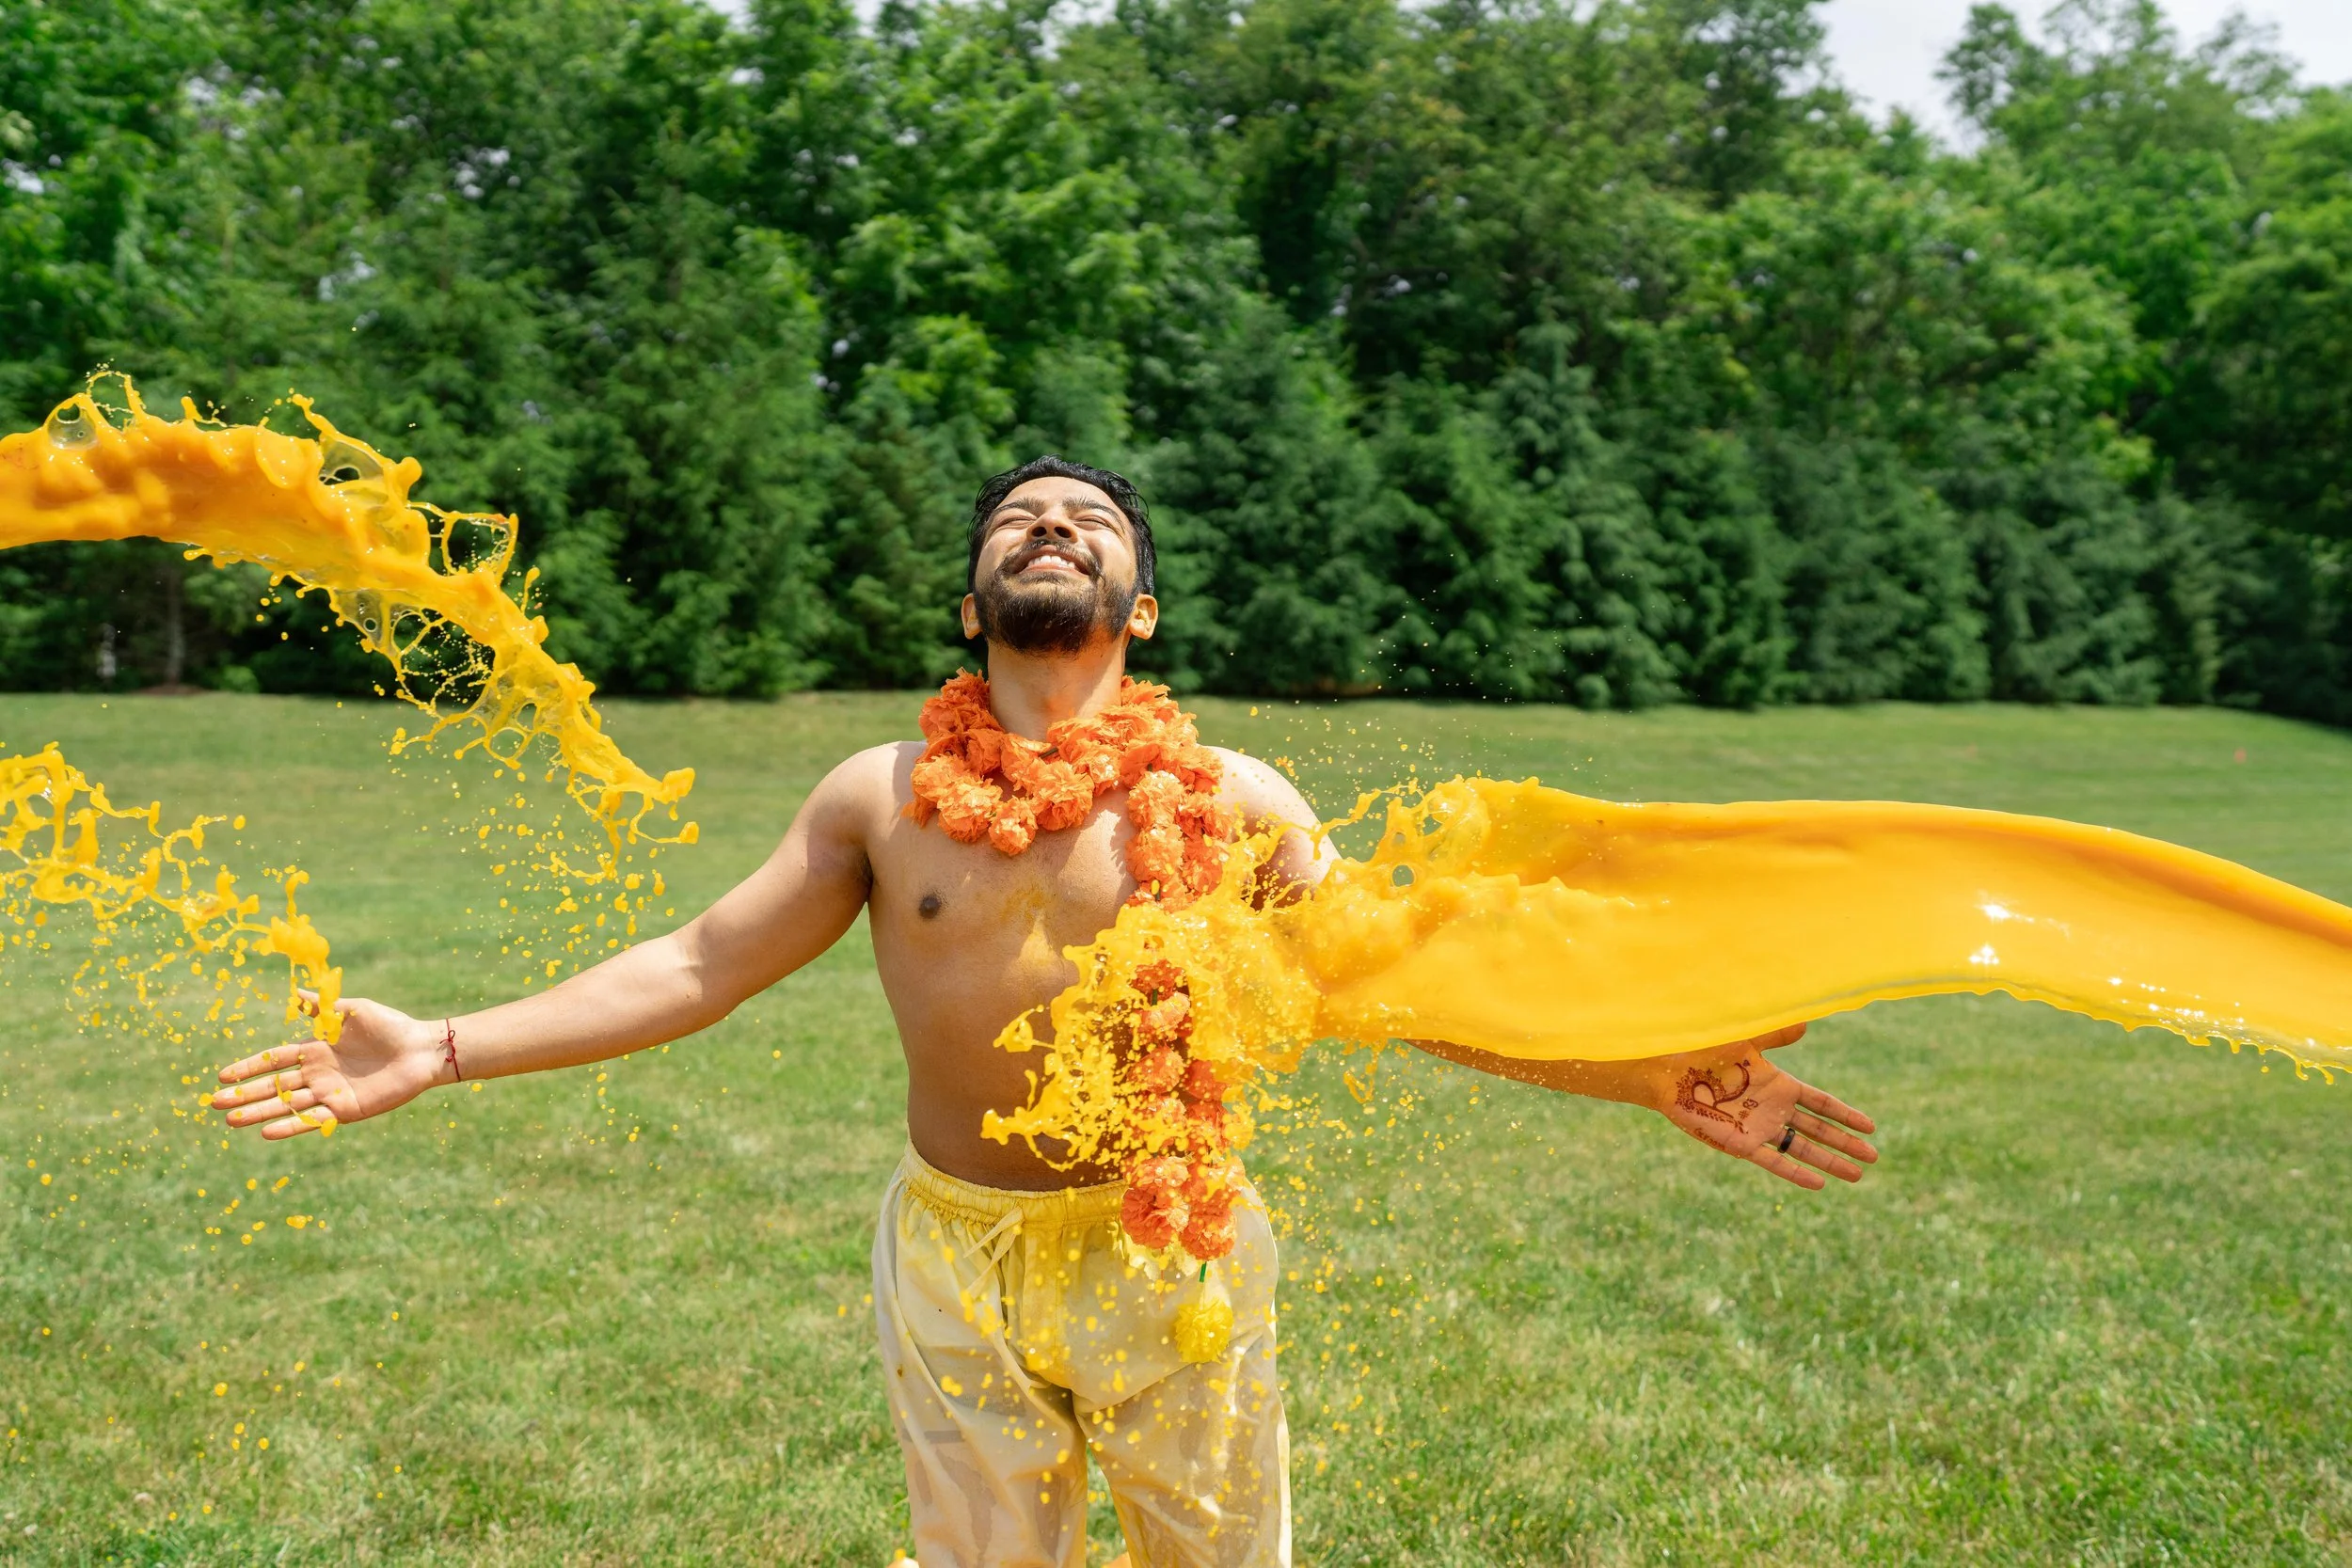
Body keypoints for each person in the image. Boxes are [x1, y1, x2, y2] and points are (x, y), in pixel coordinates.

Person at [212, 456, 1881, 1568]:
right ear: (971, 607)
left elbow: (1400, 989)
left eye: (1088, 522)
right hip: (953, 1255)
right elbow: (701, 966)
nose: (1052, 526)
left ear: (1139, 612)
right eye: (1019, 521)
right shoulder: (878, 796)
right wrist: (445, 1044)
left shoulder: (1232, 798)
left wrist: (1649, 1071)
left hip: (1176, 1252)